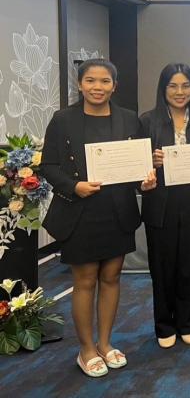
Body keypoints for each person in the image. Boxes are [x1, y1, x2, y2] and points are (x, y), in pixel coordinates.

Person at [41, 58, 156, 378]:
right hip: (80, 212)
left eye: (105, 81)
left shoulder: (129, 119)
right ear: (80, 84)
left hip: (117, 211)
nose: (97, 87)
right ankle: (86, 349)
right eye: (90, 81)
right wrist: (74, 186)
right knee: (85, 280)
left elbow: (137, 165)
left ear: (114, 86)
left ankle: (105, 343)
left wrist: (145, 181)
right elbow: (48, 165)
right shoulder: (63, 119)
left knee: (111, 277)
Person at [139, 63, 190, 348]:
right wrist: (150, 161)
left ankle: (187, 323)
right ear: (163, 89)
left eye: (186, 86)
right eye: (173, 85)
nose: (180, 91)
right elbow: (137, 165)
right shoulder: (147, 121)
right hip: (160, 205)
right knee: (162, 269)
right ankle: (164, 325)